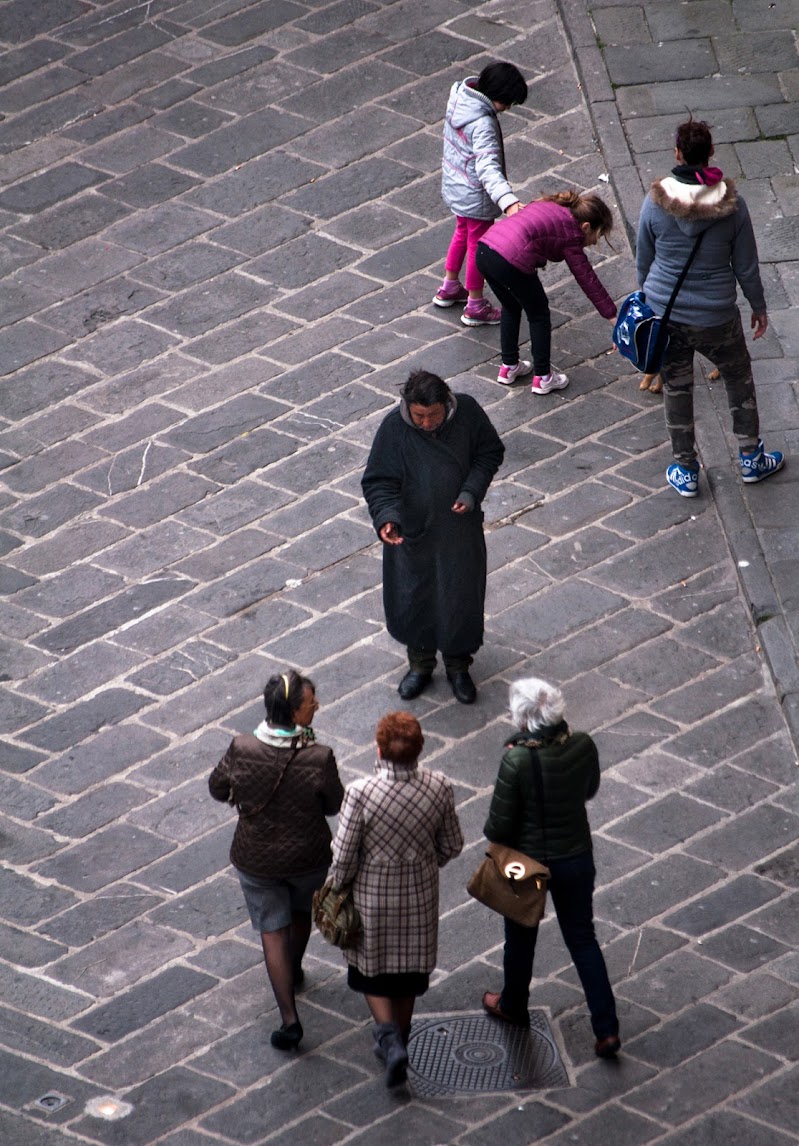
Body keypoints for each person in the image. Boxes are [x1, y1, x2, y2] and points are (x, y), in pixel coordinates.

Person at [637, 117, 785, 497]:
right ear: (711, 154)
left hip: (666, 313)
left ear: (677, 153)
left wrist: (647, 297)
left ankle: (685, 470)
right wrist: (758, 306)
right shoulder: (733, 205)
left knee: (677, 387)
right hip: (717, 314)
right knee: (738, 378)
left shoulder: (655, 202)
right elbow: (746, 265)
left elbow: (644, 258)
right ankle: (751, 458)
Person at [480, 677, 621, 1059]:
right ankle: (606, 1029)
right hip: (576, 857)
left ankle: (513, 1005)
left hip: (528, 866)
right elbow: (588, 790)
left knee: (520, 938)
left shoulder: (516, 758)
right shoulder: (582, 744)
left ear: (523, 718)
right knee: (582, 939)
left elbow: (497, 828)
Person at [208, 669, 343, 1051]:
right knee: (301, 915)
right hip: (309, 856)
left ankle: (289, 1018)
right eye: (310, 703)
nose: (316, 706)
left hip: (257, 857)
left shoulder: (242, 747)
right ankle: (294, 968)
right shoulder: (318, 757)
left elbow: (217, 788)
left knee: (272, 930)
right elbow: (334, 805)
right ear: (294, 712)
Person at [330, 711, 463, 1086]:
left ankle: (389, 1040)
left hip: (371, 900)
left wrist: (339, 886)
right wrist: (423, 862)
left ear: (379, 748)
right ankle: (399, 1040)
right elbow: (452, 843)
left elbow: (343, 858)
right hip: (419, 898)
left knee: (372, 971)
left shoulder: (360, 794)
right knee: (408, 974)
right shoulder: (439, 786)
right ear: (420, 749)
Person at [362, 369, 505, 704]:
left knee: (460, 600)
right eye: (419, 417)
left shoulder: (468, 413)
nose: (426, 423)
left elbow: (489, 453)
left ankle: (458, 667)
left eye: (433, 416)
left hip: (459, 533)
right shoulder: (394, 430)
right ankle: (420, 664)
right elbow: (379, 482)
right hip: (412, 536)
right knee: (415, 600)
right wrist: (387, 518)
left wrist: (470, 492)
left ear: (447, 404)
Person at [475, 190, 617, 391]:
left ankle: (509, 366)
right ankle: (543, 377)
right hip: (511, 258)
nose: (594, 242)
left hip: (485, 251)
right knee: (539, 313)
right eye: (597, 235)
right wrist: (613, 317)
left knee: (510, 305)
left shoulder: (550, 205)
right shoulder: (572, 234)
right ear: (586, 227)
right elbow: (587, 279)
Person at [434, 61, 528, 327]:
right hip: (475, 194)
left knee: (462, 233)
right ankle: (475, 304)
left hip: (456, 185)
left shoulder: (459, 99)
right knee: (479, 247)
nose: (507, 108)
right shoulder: (483, 123)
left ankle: (449, 287)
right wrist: (508, 201)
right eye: (507, 103)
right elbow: (487, 169)